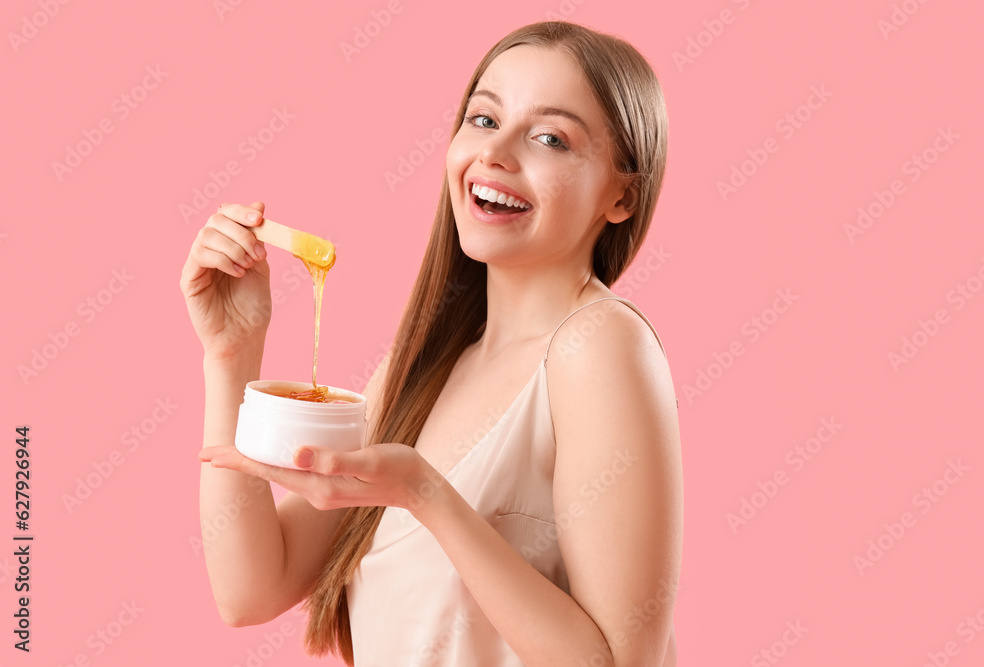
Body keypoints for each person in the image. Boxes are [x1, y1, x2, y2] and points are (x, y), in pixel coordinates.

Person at [182, 20, 682, 667]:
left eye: (550, 138)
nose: (494, 153)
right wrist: (232, 354)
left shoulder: (599, 346)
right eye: (483, 119)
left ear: (622, 195)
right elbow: (251, 589)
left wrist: (425, 494)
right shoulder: (424, 365)